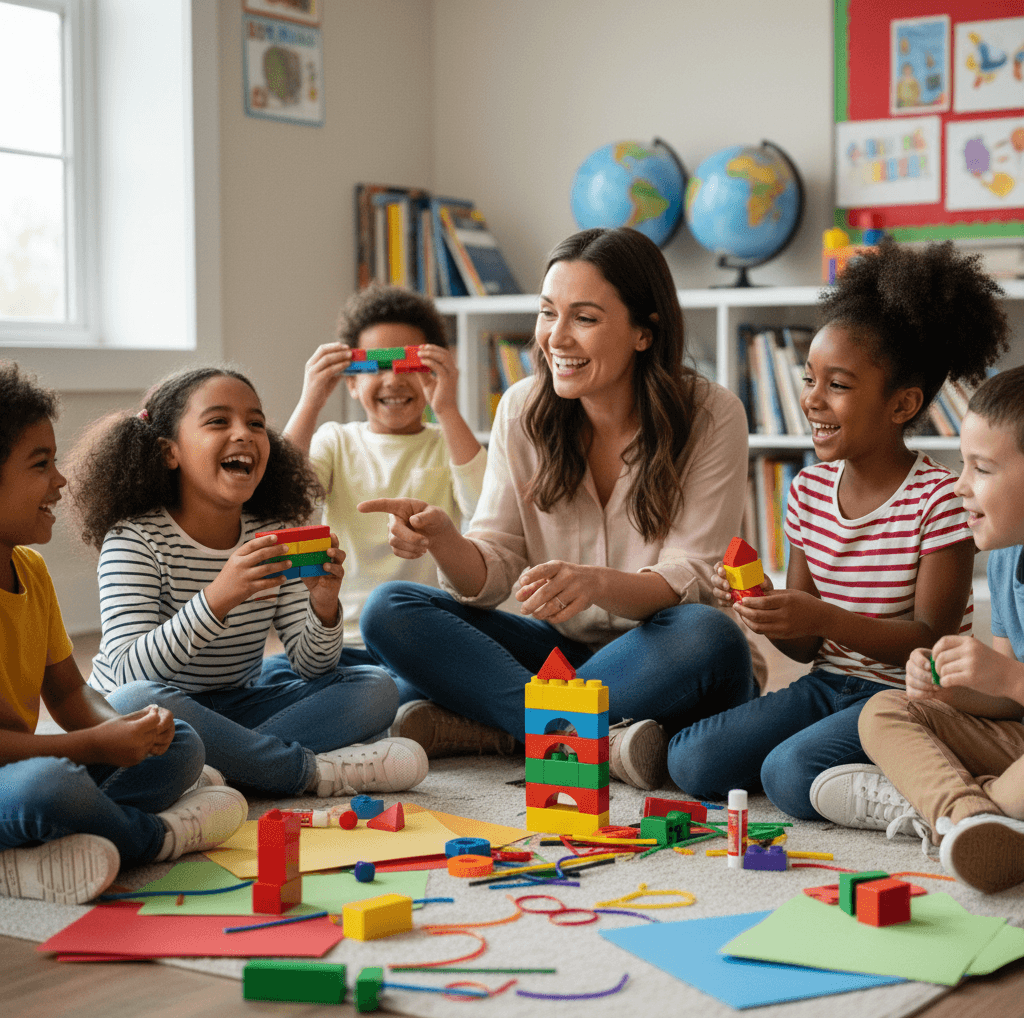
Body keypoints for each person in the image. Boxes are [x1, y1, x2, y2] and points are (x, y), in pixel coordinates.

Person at [357, 227, 764, 790]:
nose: (556, 338)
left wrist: (599, 584)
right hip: (557, 654)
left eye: (585, 318)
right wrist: (446, 541)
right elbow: (496, 563)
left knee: (707, 637)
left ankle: (504, 730)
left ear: (644, 333)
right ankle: (588, 736)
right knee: (389, 609)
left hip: (661, 649)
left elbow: (692, 575)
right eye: (549, 314)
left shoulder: (712, 414)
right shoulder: (522, 408)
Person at [671, 240, 1009, 819]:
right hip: (828, 686)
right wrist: (768, 613)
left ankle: (914, 786)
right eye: (810, 379)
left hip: (906, 700)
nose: (812, 400)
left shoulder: (939, 500)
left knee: (787, 771)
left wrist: (823, 617)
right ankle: (855, 771)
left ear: (902, 405)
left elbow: (930, 638)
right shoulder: (805, 493)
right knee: (693, 762)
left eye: (839, 385)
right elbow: (804, 648)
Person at [69, 366, 428, 798]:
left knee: (375, 688)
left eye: (255, 423)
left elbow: (313, 666)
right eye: (219, 421)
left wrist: (323, 607)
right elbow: (130, 672)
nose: (244, 433)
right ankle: (307, 772)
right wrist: (218, 599)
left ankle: (217, 766)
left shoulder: (272, 533)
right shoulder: (134, 540)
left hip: (234, 707)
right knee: (134, 702)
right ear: (169, 452)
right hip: (155, 710)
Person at [0, 363, 247, 905]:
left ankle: (38, 854)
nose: (61, 480)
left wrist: (124, 730)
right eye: (41, 465)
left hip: (28, 767)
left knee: (180, 744)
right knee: (51, 786)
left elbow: (66, 691)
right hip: (21, 778)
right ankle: (157, 838)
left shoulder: (30, 572)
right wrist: (92, 745)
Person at [813, 366, 1024, 893]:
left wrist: (1012, 680)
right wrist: (955, 688)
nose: (960, 486)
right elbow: (1010, 704)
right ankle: (973, 818)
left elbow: (1016, 687)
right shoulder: (1004, 557)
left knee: (1016, 793)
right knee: (885, 710)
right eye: (962, 465)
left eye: (983, 469)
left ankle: (954, 808)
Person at [282, 285, 486, 673]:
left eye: (407, 364)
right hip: (340, 639)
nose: (392, 380)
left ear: (434, 372)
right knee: (277, 673)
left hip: (420, 635)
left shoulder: (450, 443)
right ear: (352, 381)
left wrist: (446, 408)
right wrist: (310, 401)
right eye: (375, 365)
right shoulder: (335, 440)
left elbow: (485, 504)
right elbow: (282, 498)